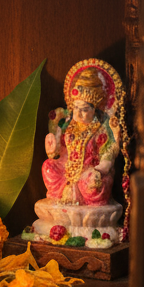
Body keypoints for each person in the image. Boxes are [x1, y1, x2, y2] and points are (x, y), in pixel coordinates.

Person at [42, 66, 120, 207]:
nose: (78, 114)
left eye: (84, 110)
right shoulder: (68, 124)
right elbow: (58, 152)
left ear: (94, 109)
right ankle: (61, 193)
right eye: (76, 108)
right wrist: (52, 148)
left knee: (96, 184)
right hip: (66, 169)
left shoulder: (101, 130)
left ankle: (87, 196)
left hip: (89, 173)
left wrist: (98, 170)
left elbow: (108, 153)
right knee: (47, 167)